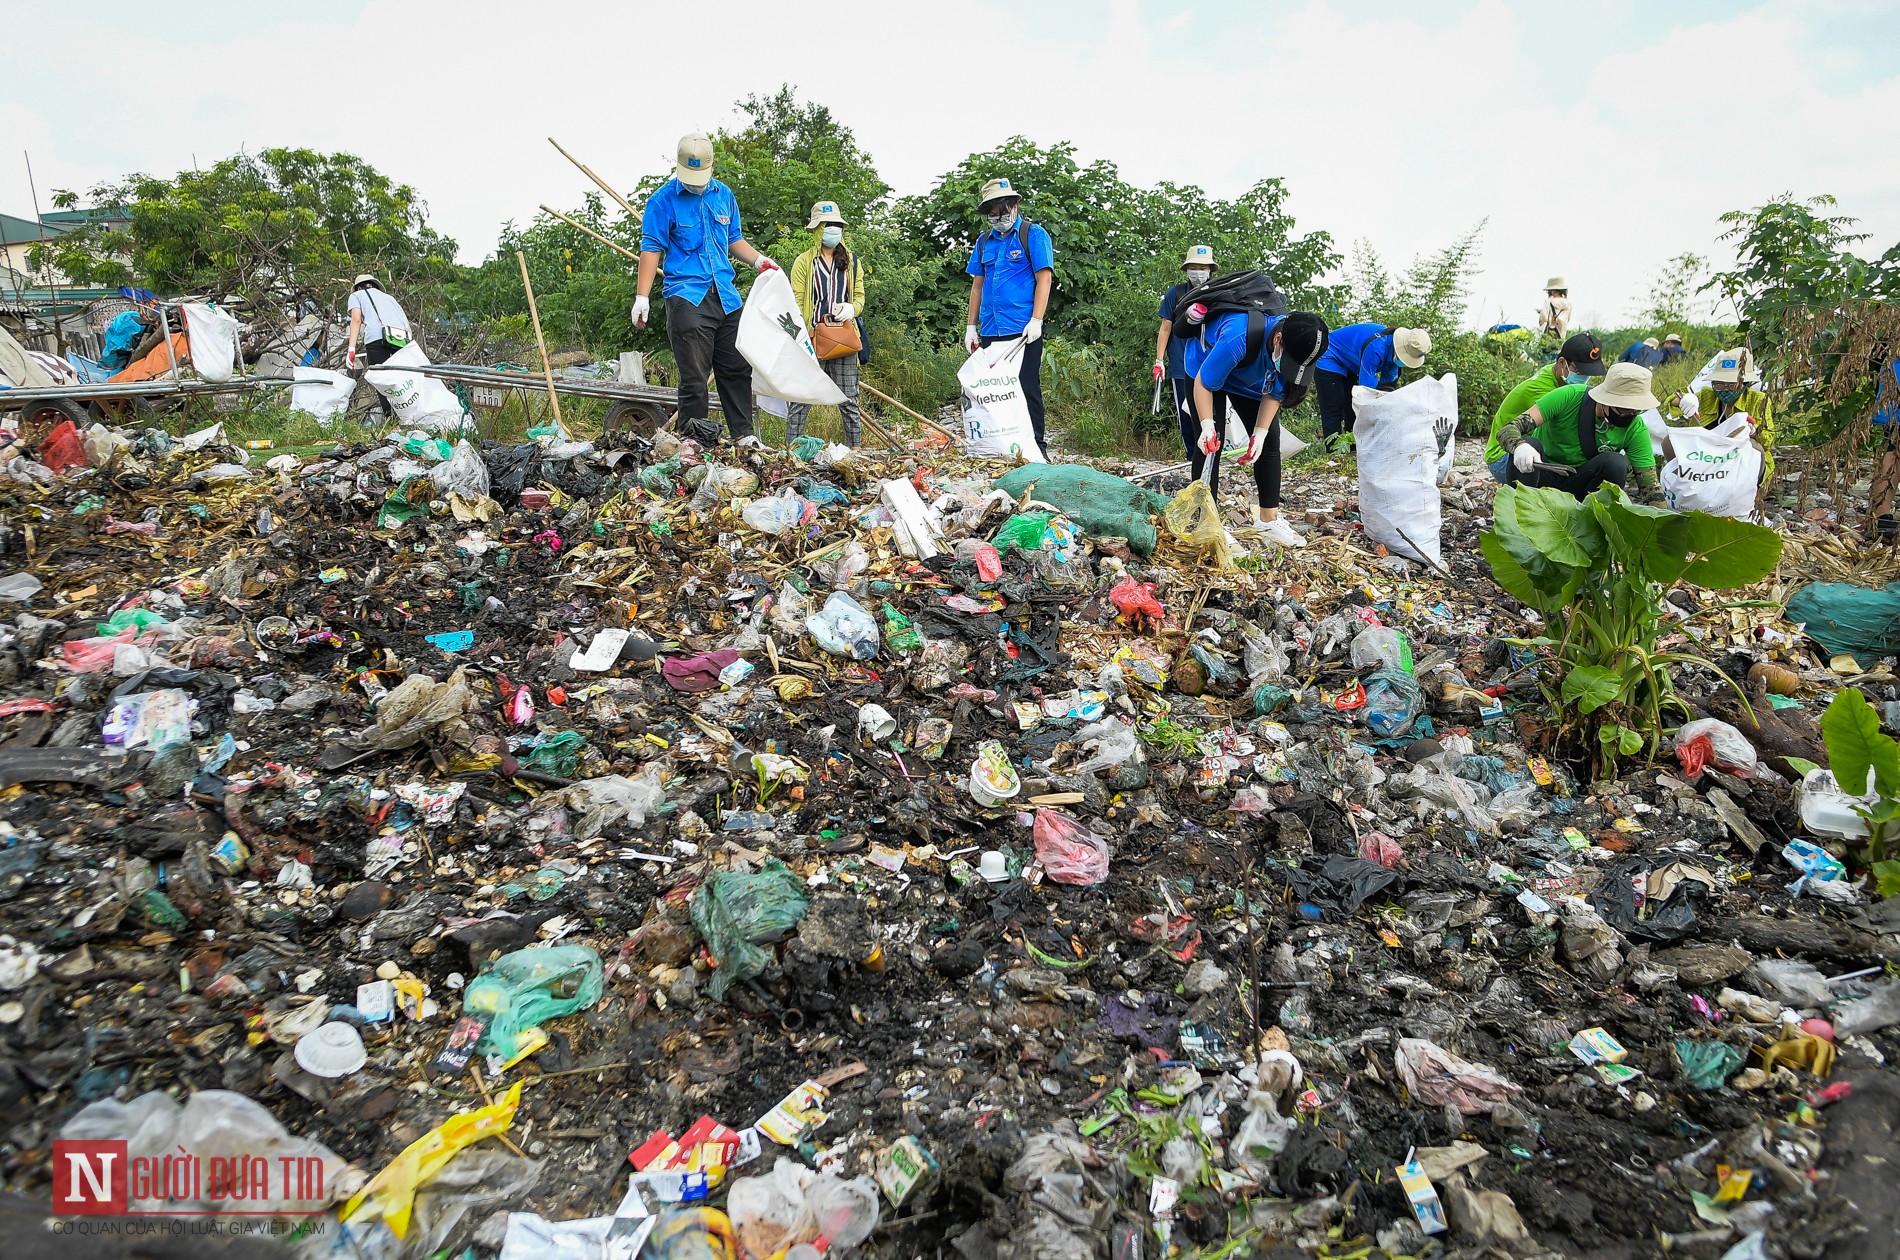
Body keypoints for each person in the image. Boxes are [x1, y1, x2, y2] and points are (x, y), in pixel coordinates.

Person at [633, 133, 780, 444]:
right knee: (695, 377)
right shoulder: (662, 201)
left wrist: (758, 261)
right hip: (687, 295)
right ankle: (693, 442)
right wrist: (642, 296)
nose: (695, 183)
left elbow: (733, 239)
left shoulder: (723, 195)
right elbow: (651, 248)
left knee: (737, 368)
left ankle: (744, 436)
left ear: (712, 167)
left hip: (725, 296)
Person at [1181, 302, 1330, 547]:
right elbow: (1205, 384)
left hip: (1247, 375)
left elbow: (1275, 392)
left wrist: (1259, 434)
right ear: (1278, 338)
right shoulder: (1238, 336)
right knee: (1209, 446)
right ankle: (1209, 525)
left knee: (1271, 442)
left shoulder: (1293, 348)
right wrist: (1207, 425)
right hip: (1205, 366)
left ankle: (1268, 521)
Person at [964, 177, 1055, 453]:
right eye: (991, 212)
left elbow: (1044, 279)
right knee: (993, 391)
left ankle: (1037, 446)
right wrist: (971, 327)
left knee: (1027, 387)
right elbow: (977, 285)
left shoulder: (1033, 234)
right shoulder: (984, 242)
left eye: (1001, 210)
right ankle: (1001, 445)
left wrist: (1037, 319)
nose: (997, 216)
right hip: (992, 330)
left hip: (1023, 330)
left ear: (1014, 205)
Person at [1493, 362, 1664, 504]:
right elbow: (1508, 430)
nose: (1630, 416)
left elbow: (1650, 488)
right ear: (1605, 400)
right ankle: (1522, 515)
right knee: (1530, 444)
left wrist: (1663, 527)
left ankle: (1594, 523)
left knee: (1615, 463)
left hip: (1579, 483)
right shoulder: (1568, 397)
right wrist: (1519, 446)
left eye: (1636, 411)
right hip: (1542, 473)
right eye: (1623, 409)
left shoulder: (1635, 428)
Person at [785, 199, 867, 446]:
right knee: (801, 399)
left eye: (836, 224)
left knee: (849, 400)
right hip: (812, 338)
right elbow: (796, 300)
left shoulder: (851, 261)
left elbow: (860, 297)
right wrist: (799, 334)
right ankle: (794, 452)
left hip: (842, 338)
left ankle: (855, 451)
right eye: (827, 224)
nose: (832, 229)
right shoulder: (804, 262)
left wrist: (851, 308)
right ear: (817, 229)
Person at [1484, 332, 1606, 482]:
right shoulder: (1542, 390)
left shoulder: (1556, 374)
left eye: (1589, 373)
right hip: (1503, 456)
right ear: (1562, 363)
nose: (1585, 378)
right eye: (1580, 371)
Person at [1311, 323, 1431, 451]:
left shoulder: (1395, 356)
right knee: (1334, 407)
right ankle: (1334, 454)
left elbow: (1387, 389)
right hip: (1331, 355)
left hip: (1351, 364)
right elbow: (1366, 389)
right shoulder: (1376, 346)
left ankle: (1353, 450)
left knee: (1352, 407)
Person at [1155, 245, 1217, 469]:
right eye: (1194, 267)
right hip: (1181, 364)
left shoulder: (1217, 292)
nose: (1198, 272)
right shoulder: (1177, 293)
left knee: (1213, 414)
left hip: (1211, 364)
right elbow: (1165, 328)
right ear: (1187, 268)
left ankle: (1213, 456)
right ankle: (1193, 456)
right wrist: (1159, 360)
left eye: (1203, 268)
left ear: (1210, 270)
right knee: (1186, 413)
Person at [1695, 347, 1777, 477]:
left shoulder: (1758, 400)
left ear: (1745, 383)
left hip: (1743, 463)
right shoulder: (1706, 396)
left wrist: (1754, 432)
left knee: (1755, 446)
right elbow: (1673, 401)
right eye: (1720, 384)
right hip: (1708, 458)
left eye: (1732, 385)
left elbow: (1768, 441)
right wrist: (1685, 400)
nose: (1726, 389)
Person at [344, 275, 412, 370]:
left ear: (358, 288)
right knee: (401, 377)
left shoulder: (356, 295)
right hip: (400, 340)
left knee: (379, 376)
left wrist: (351, 350)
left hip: (376, 338)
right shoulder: (390, 298)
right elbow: (407, 325)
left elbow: (356, 320)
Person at [1536, 276, 1572, 343]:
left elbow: (1543, 319)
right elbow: (1568, 319)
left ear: (1552, 291)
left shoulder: (1548, 302)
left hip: (1548, 338)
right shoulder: (1568, 303)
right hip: (1561, 337)